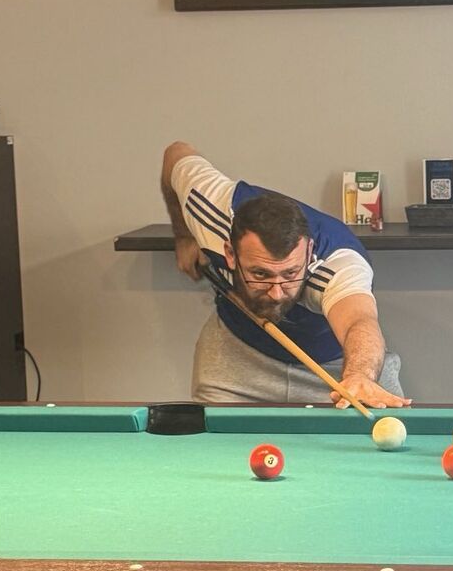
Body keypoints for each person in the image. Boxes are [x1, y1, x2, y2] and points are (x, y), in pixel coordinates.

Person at [160, 141, 410, 408]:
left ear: (309, 251)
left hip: (335, 369)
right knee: (211, 435)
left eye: (290, 273)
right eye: (260, 274)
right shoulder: (211, 212)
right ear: (230, 253)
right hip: (238, 358)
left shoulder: (337, 265)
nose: (277, 293)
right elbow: (176, 154)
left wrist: (359, 375)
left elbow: (359, 322)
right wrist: (184, 235)